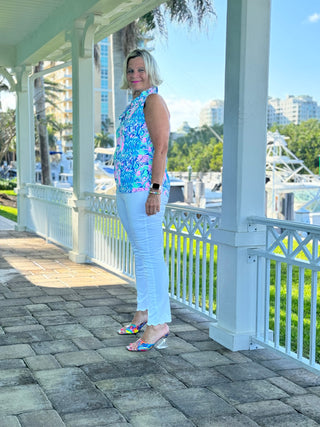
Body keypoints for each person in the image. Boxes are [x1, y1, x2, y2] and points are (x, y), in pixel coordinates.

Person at [113, 48, 171, 352]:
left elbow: (160, 147)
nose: (135, 75)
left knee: (151, 257)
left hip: (143, 189)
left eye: (140, 70)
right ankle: (144, 312)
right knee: (141, 254)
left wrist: (155, 189)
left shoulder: (153, 101)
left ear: (150, 71)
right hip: (126, 188)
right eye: (131, 70)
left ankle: (158, 323)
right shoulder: (134, 103)